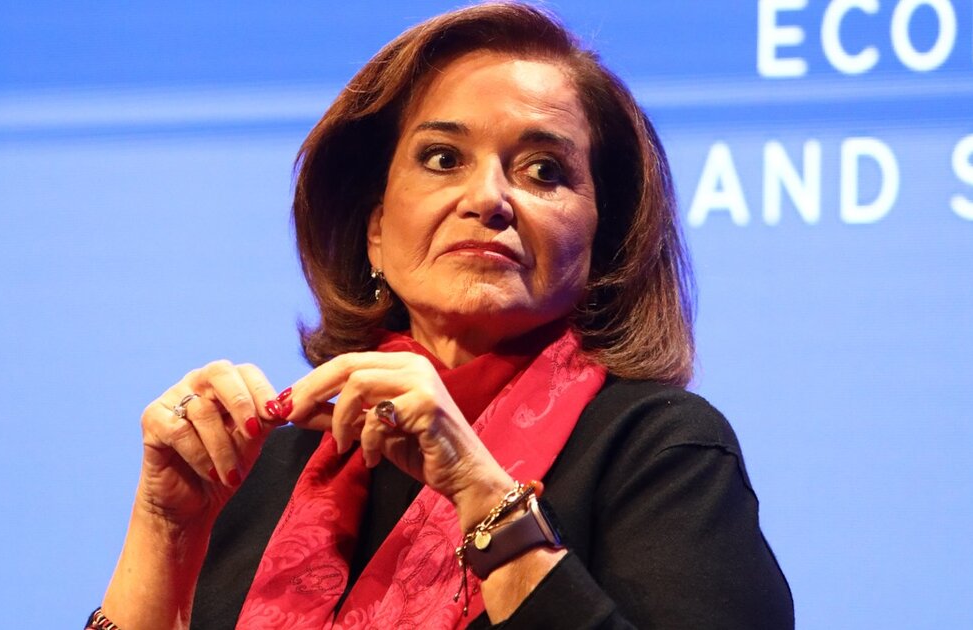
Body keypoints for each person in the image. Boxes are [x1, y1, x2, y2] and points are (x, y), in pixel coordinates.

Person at [92, 3, 793, 629]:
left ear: (602, 240)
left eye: (544, 170)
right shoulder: (267, 470)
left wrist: (482, 497)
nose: (488, 198)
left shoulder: (661, 452)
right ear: (374, 230)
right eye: (442, 157)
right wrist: (165, 528)